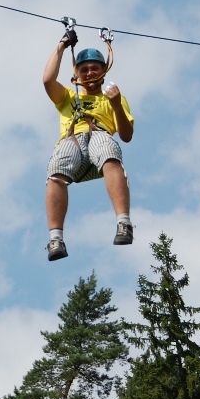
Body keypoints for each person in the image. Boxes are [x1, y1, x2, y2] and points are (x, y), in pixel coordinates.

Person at [42, 27, 134, 261]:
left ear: (104, 70)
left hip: (99, 138)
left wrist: (115, 105)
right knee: (56, 169)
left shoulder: (112, 98)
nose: (89, 72)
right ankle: (55, 239)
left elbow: (126, 135)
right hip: (73, 141)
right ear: (77, 74)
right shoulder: (68, 97)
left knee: (108, 149)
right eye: (84, 69)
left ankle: (124, 223)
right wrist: (62, 45)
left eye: (94, 68)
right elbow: (47, 80)